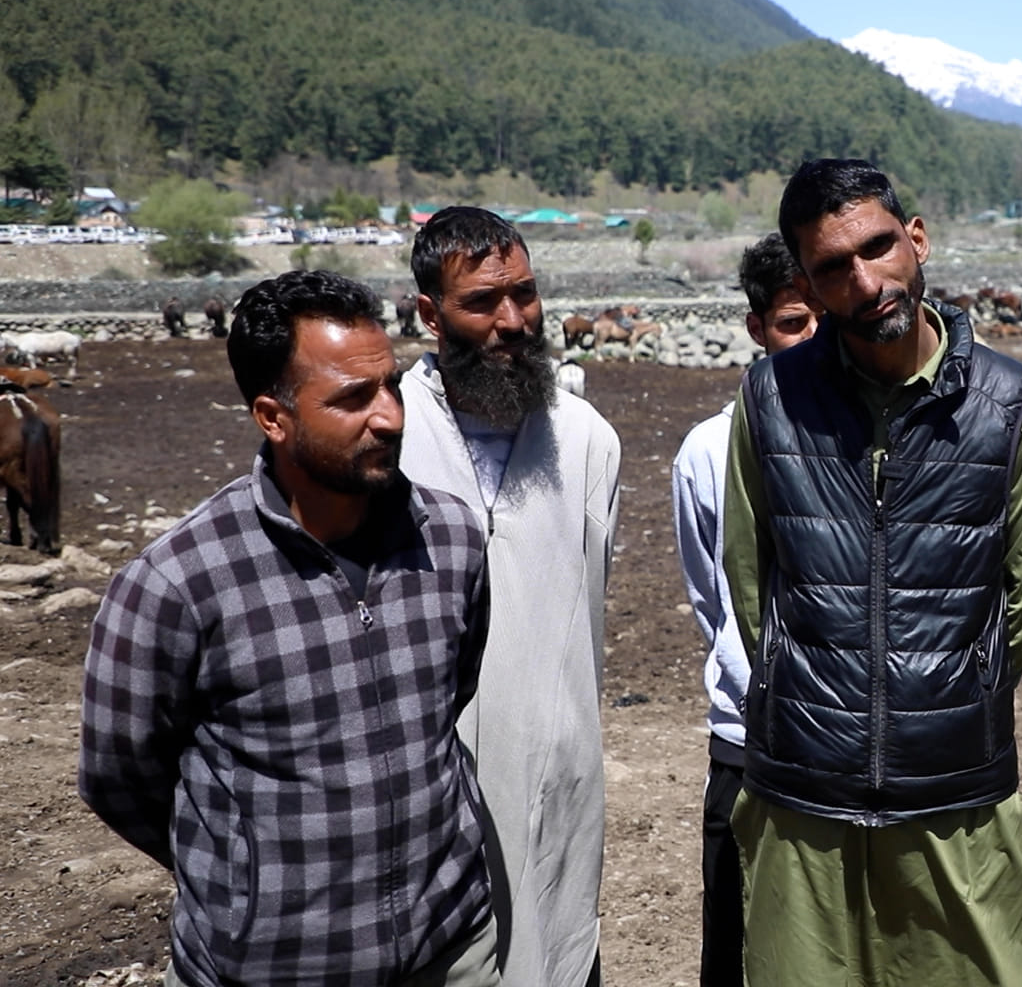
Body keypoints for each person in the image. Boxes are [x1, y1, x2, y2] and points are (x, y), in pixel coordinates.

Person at [80, 269, 498, 987]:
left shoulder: (451, 536)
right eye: (353, 398)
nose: (390, 417)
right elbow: (119, 775)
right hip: (271, 968)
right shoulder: (180, 581)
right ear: (273, 417)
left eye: (391, 386)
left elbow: (451, 694)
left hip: (449, 950)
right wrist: (247, 881)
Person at [722, 158, 1022, 986]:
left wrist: (956, 683)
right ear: (809, 282)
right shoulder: (769, 400)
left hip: (954, 793)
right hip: (803, 792)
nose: (867, 282)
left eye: (878, 247)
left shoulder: (1008, 403)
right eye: (833, 267)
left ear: (917, 239)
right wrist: (807, 683)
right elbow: (751, 579)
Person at [399, 207, 623, 987]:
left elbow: (584, 610)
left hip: (558, 778)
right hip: (421, 800)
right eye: (482, 302)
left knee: (556, 949)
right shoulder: (388, 441)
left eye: (524, 294)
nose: (513, 321)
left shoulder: (587, 440)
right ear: (430, 314)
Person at [671, 233, 817, 987]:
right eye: (794, 322)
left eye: (826, 315)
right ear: (758, 328)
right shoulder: (708, 450)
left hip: (846, 747)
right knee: (734, 941)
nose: (814, 337)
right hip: (747, 737)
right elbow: (712, 593)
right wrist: (746, 667)